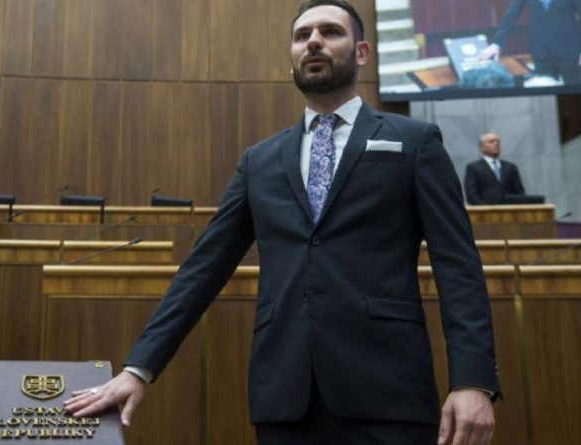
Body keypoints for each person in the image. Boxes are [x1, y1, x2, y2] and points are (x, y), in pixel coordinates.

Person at [64, 1, 500, 444]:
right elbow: (202, 268)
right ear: (292, 56)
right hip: (286, 398)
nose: (313, 41)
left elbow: (457, 266)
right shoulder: (260, 160)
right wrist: (139, 367)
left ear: (362, 52)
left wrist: (474, 380)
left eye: (330, 32)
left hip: (389, 391)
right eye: (302, 35)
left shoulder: (414, 141)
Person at [479, 0, 581, 84]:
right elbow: (511, 14)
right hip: (541, 51)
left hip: (570, 50)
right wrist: (496, 44)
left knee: (574, 92)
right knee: (545, 93)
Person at [464, 132, 526, 205]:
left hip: (510, 210)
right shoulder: (473, 167)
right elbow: (471, 195)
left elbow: (520, 193)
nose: (496, 144)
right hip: (485, 210)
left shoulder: (510, 167)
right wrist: (487, 209)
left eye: (498, 141)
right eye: (491, 141)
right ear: (481, 146)